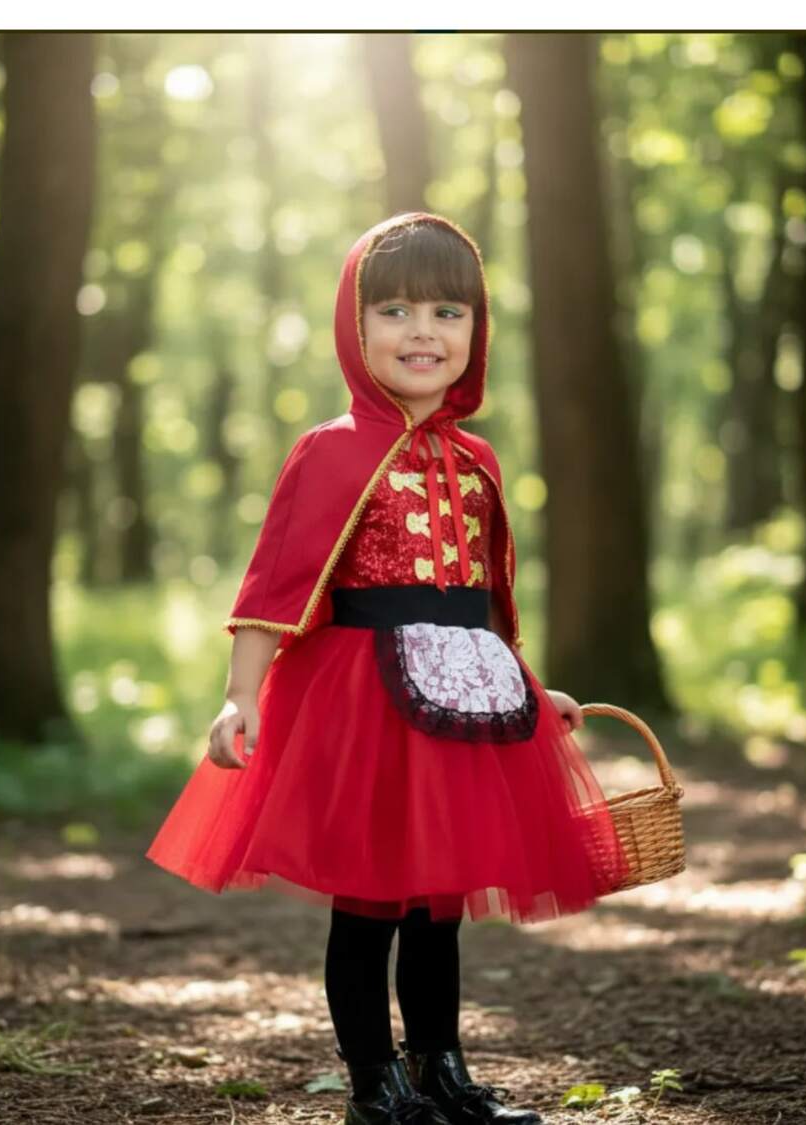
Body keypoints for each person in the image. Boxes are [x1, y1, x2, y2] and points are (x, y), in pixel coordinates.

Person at [146, 212, 631, 1125]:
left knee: (438, 906)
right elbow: (277, 582)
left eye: (449, 312)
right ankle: (375, 1083)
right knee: (369, 904)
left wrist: (530, 686)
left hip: (460, 702)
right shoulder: (330, 449)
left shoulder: (476, 460)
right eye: (396, 310)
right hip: (364, 701)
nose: (423, 332)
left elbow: (484, 597)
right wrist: (241, 694)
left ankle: (440, 1067)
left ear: (476, 330)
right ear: (355, 323)